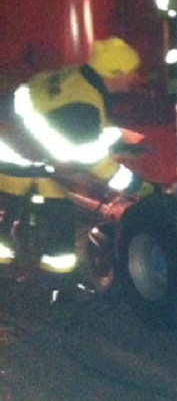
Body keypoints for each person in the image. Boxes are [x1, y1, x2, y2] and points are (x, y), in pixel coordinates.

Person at [0, 37, 153, 274]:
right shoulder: (85, 105)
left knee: (13, 209)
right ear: (114, 73)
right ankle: (55, 275)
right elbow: (93, 160)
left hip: (13, 144)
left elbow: (73, 127)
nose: (134, 78)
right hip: (19, 159)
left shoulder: (77, 77)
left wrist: (119, 140)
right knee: (60, 212)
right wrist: (137, 186)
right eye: (130, 71)